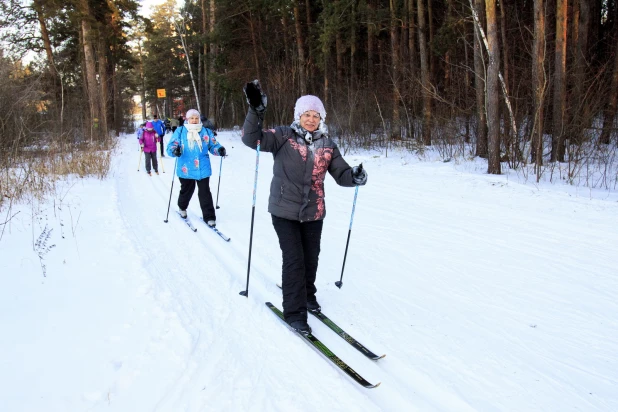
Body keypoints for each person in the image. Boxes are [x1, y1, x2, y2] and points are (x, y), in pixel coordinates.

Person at [241, 80, 368, 334]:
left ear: (321, 118)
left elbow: (340, 172)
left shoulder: (328, 145)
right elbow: (251, 139)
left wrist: (353, 176)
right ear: (298, 116)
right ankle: (295, 312)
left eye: (315, 115)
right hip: (284, 210)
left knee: (311, 258)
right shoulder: (282, 137)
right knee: (294, 260)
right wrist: (256, 110)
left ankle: (308, 295)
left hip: (314, 212)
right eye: (306, 114)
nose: (311, 119)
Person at [166, 109, 226, 226]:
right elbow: (171, 147)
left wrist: (219, 150)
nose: (194, 120)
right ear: (187, 119)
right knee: (187, 190)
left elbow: (213, 145)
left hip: (202, 167)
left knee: (205, 192)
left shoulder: (206, 132)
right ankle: (182, 207)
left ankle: (209, 217)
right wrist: (175, 151)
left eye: (196, 118)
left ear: (199, 119)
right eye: (192, 118)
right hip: (186, 167)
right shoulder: (180, 131)